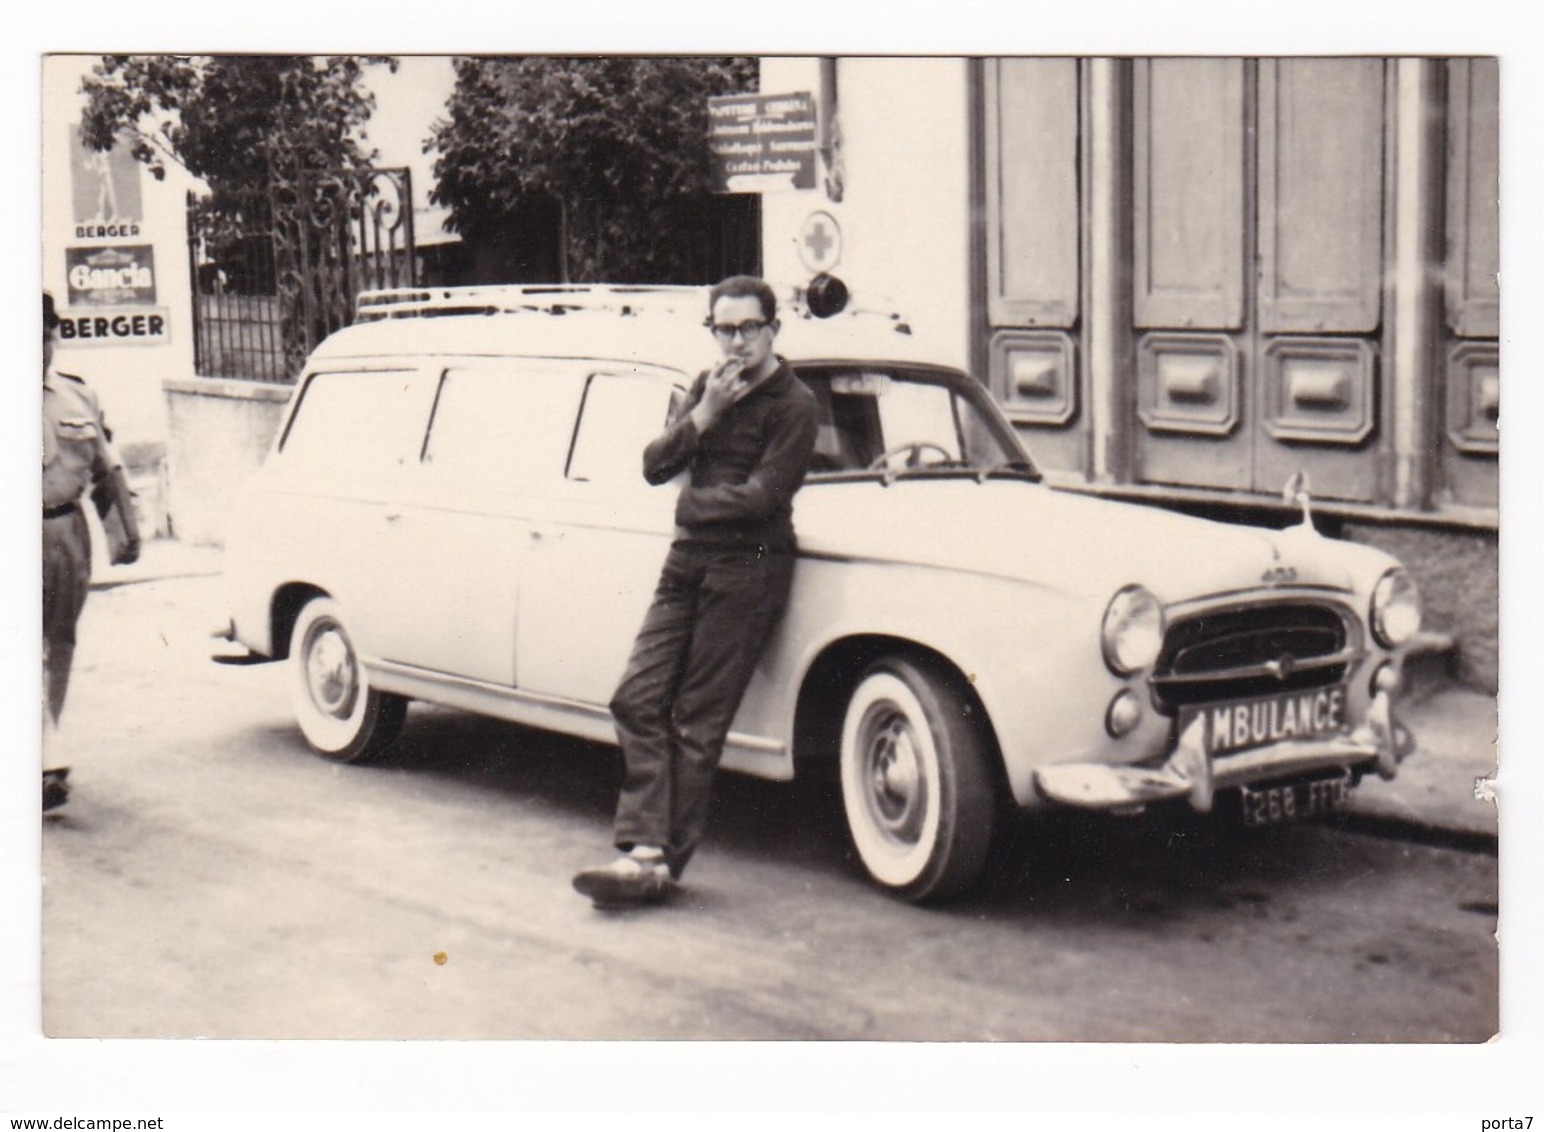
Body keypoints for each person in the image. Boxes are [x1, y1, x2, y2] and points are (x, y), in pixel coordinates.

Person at [572, 275, 819, 907]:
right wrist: (704, 415)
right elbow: (654, 464)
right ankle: (648, 854)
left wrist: (691, 507)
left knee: (698, 721)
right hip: (688, 565)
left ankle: (651, 856)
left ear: (773, 330)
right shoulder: (703, 387)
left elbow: (765, 496)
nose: (735, 342)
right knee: (636, 697)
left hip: (749, 568)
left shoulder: (794, 405)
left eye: (748, 329)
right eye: (723, 329)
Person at [42, 291, 140, 811]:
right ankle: (44, 760)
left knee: (60, 645)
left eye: (43, 336)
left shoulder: (79, 397)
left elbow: (106, 469)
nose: (37, 348)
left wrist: (124, 530)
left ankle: (42, 754)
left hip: (66, 533)